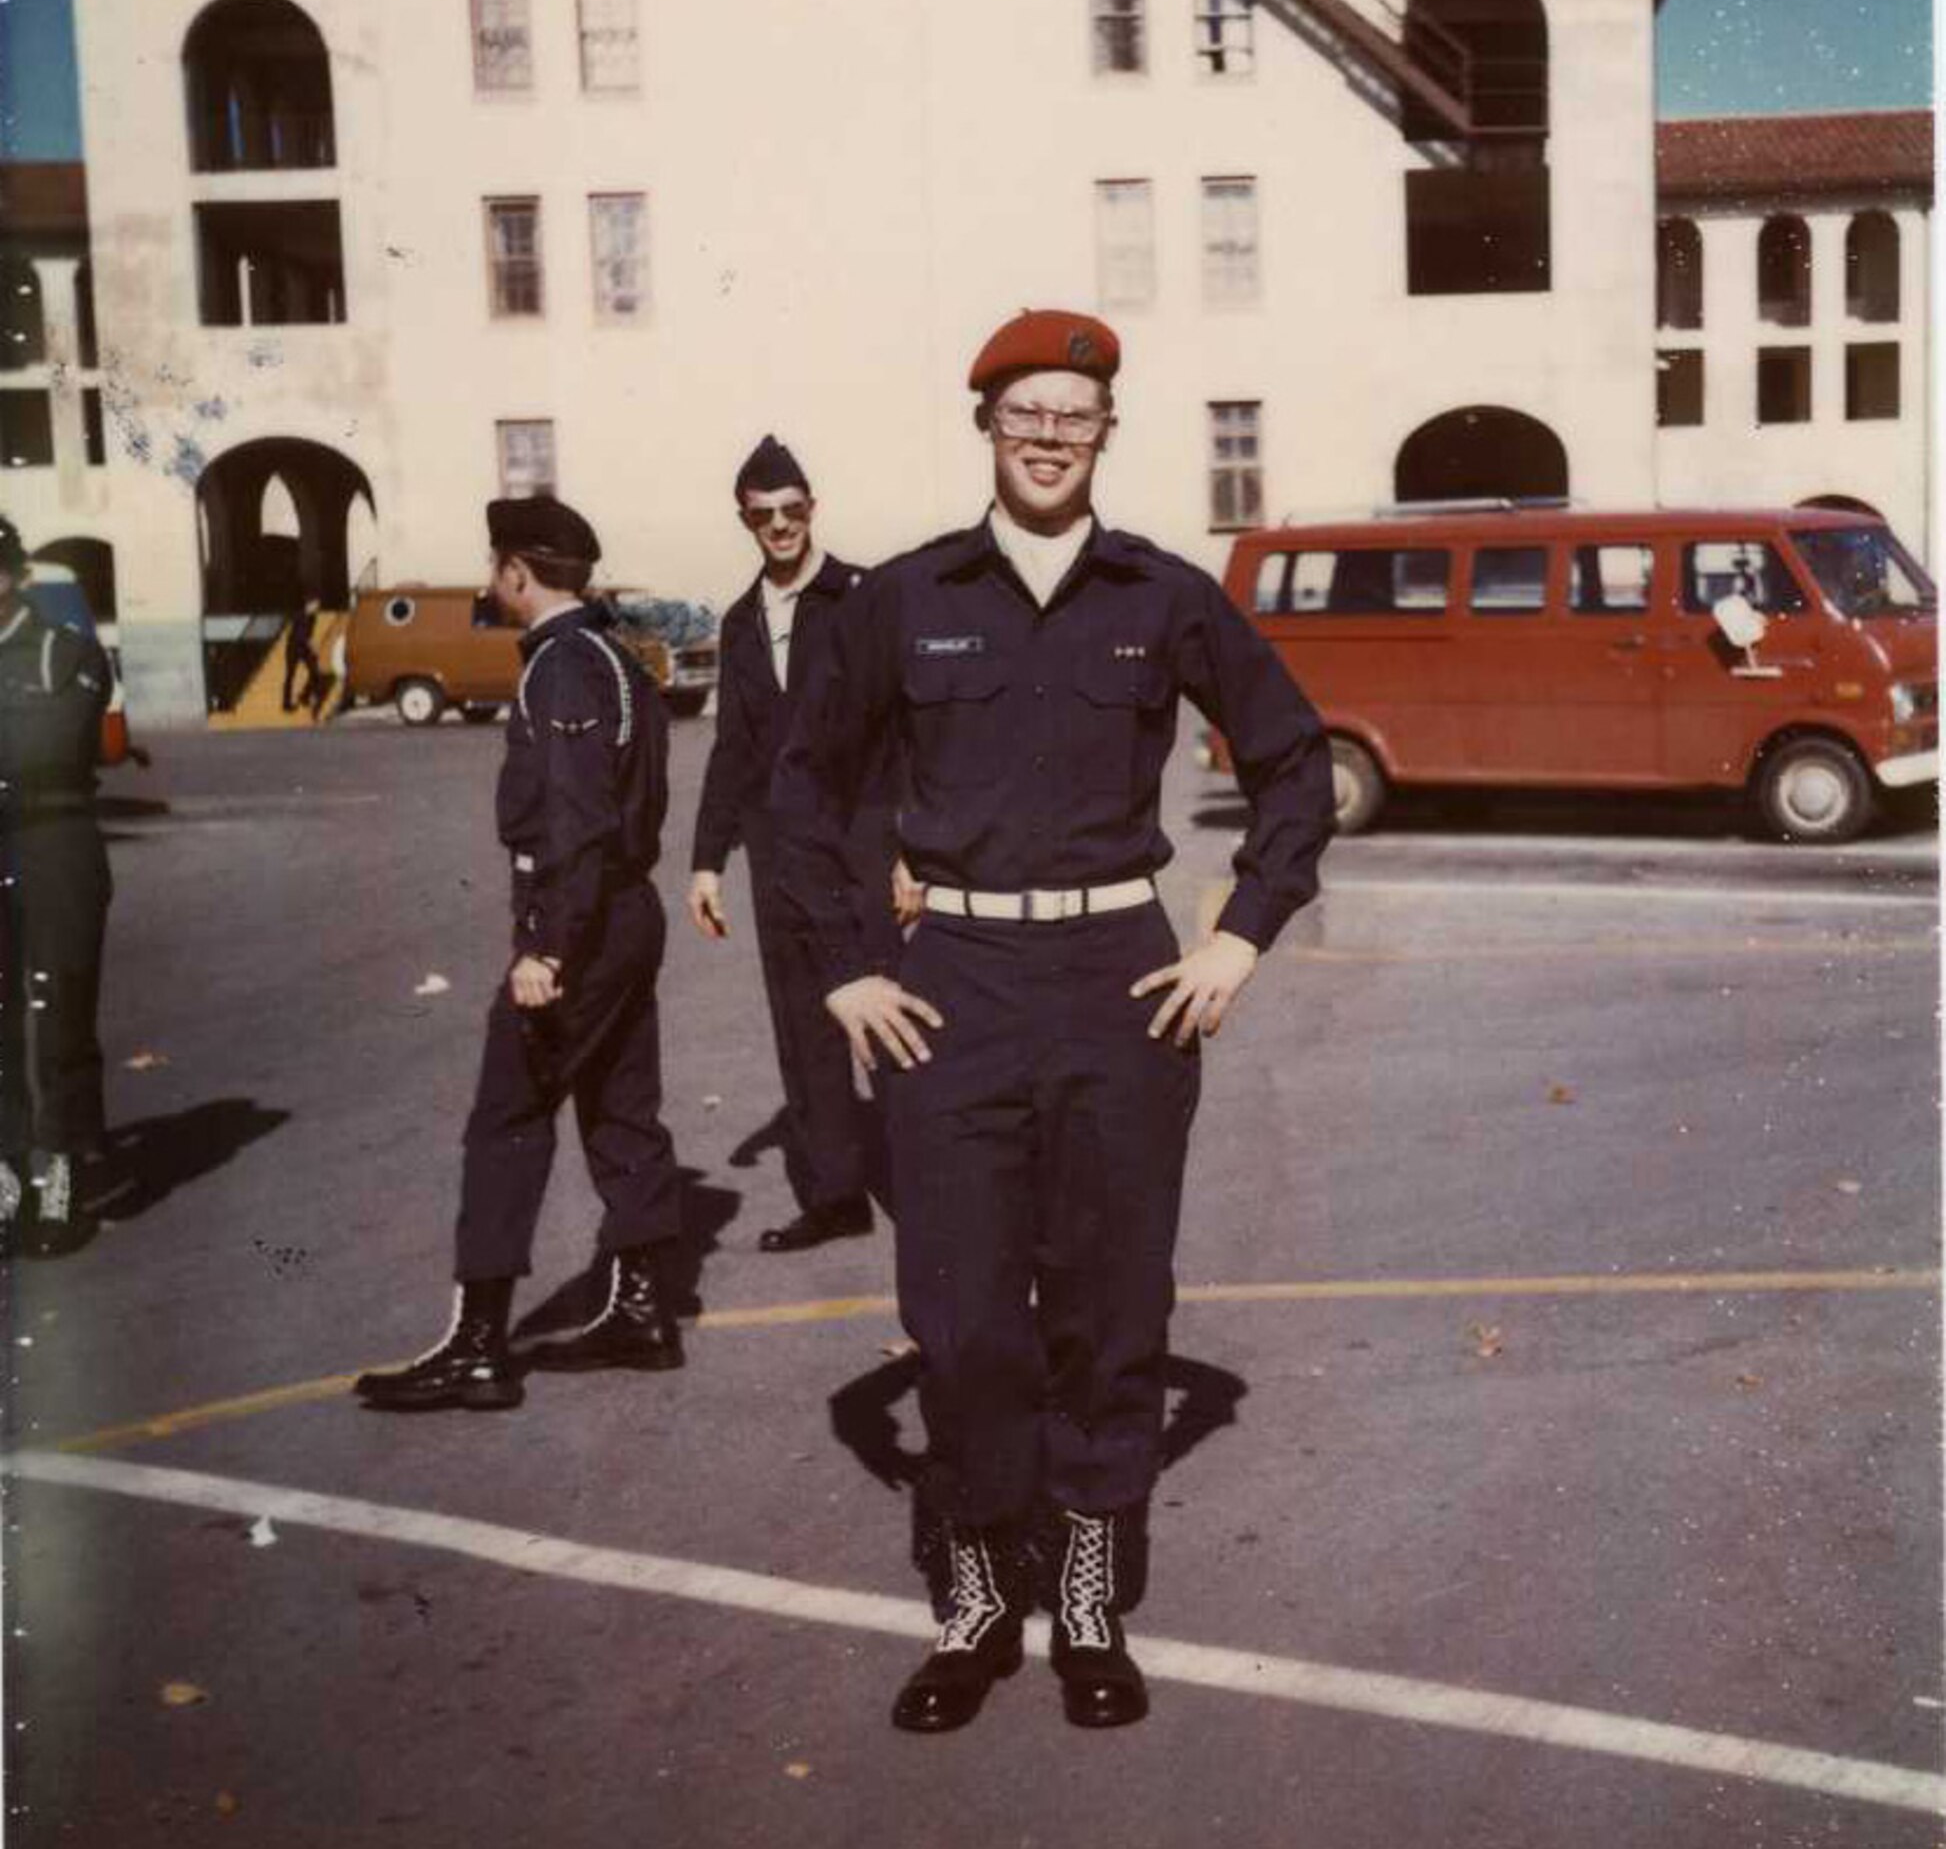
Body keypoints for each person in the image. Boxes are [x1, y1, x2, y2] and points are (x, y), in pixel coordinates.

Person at [773, 310, 1335, 1733]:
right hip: (949, 986)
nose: (1045, 433)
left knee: (1108, 1305)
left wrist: (1238, 936)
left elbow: (1292, 765)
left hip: (1120, 991)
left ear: (1102, 433)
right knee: (959, 1316)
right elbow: (800, 793)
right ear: (985, 426)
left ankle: (1085, 1594)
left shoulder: (1164, 595)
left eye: (1074, 412)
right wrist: (845, 966)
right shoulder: (900, 597)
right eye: (1023, 409)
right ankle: (973, 1594)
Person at [355, 496, 684, 1412]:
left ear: (518, 573)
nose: (491, 580)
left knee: (507, 1119)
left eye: (494, 565)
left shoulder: (561, 670)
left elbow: (575, 825)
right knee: (622, 1109)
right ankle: (643, 1310)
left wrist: (545, 947)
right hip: (624, 911)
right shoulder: (614, 658)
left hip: (580, 921)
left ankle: (478, 1345)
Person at [687, 435, 900, 1252]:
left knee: (887, 1020)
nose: (780, 525)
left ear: (813, 509)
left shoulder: (862, 598)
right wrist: (708, 860)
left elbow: (903, 730)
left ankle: (937, 1193)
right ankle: (835, 1193)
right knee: (803, 1025)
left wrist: (911, 850)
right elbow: (733, 751)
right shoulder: (741, 622)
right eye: (762, 514)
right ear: (745, 521)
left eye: (792, 510)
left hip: (862, 848)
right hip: (779, 858)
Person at [0, 517, 114, 1256]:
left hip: (54, 843)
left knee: (58, 1009)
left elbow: (52, 743)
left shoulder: (61, 650)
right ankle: (9, 1173)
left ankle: (62, 1169)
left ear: (8, 575)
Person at [281, 597, 325, 718]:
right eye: (315, 605)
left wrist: (311, 647)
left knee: (314, 671)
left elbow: (309, 634)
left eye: (318, 606)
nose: (317, 608)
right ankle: (286, 704)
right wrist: (312, 647)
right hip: (293, 647)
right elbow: (301, 634)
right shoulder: (300, 614)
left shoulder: (313, 617)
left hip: (303, 646)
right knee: (290, 674)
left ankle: (304, 696)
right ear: (308, 605)